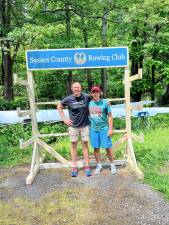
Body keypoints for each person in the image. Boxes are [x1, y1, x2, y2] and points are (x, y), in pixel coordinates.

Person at [57, 82, 91, 177]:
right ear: (72, 89)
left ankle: (87, 166)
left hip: (85, 125)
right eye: (75, 87)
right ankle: (74, 166)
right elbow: (59, 106)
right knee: (73, 145)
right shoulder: (68, 99)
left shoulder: (86, 97)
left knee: (85, 144)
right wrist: (64, 119)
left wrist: (105, 101)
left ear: (81, 88)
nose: (76, 89)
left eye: (78, 87)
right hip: (73, 126)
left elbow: (97, 98)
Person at [88, 85, 117, 175]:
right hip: (93, 129)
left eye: (97, 92)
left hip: (104, 129)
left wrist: (110, 129)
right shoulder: (89, 103)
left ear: (100, 93)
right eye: (94, 92)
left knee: (107, 147)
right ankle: (99, 165)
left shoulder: (105, 103)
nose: (95, 93)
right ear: (91, 94)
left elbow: (110, 116)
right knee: (96, 148)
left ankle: (112, 165)